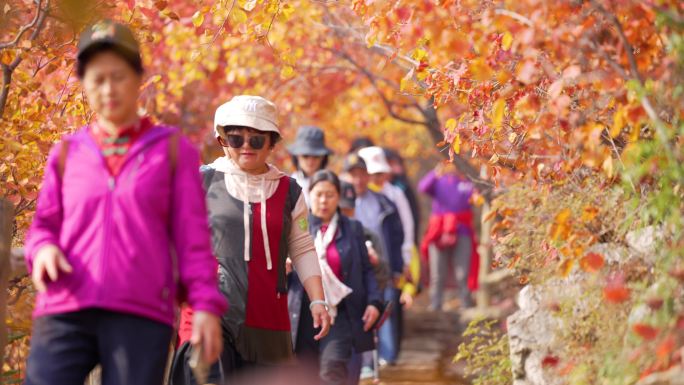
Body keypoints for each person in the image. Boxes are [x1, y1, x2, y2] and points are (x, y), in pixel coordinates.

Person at [23, 20, 226, 385]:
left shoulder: (173, 151)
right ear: (84, 84)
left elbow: (193, 242)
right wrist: (42, 250)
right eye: (97, 79)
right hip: (66, 305)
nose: (108, 89)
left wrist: (206, 306)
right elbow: (43, 228)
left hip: (141, 311)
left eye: (118, 76)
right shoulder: (67, 153)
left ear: (137, 78)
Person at [174, 95, 331, 382]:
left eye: (256, 140)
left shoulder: (290, 191)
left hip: (267, 317)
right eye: (235, 139)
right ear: (223, 140)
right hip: (209, 309)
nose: (245, 147)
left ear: (272, 143)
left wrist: (317, 301)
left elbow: (302, 247)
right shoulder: (201, 181)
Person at [289, 170, 382, 385]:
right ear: (309, 195)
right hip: (303, 313)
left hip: (339, 313)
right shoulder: (296, 228)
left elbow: (367, 270)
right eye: (318, 194)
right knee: (306, 374)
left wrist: (374, 302)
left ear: (338, 196)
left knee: (332, 371)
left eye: (329, 195)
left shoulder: (353, 229)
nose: (323, 200)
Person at [344, 153, 404, 367]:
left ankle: (387, 359)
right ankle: (366, 364)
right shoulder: (340, 201)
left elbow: (398, 237)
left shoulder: (383, 202)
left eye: (362, 175)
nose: (358, 180)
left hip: (381, 268)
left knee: (385, 314)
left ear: (368, 176)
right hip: (352, 272)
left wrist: (398, 268)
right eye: (353, 175)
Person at [418, 162, 480, 310]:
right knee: (437, 272)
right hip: (439, 231)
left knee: (462, 272)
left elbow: (478, 197)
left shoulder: (466, 183)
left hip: (462, 230)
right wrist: (435, 172)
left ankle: (465, 304)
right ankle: (435, 304)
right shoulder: (439, 180)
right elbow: (422, 187)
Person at [288, 125, 333, 204]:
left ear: (323, 157)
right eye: (305, 156)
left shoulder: (332, 184)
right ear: (297, 156)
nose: (310, 161)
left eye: (316, 156)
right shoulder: (288, 185)